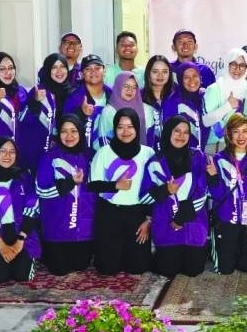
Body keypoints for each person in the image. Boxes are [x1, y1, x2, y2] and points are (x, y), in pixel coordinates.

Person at [87, 108, 155, 276]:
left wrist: (148, 221)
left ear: (137, 128)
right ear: (114, 129)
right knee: (107, 269)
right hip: (110, 212)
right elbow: (92, 185)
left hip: (137, 214)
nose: (125, 132)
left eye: (130, 127)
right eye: (120, 127)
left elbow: (154, 190)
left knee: (138, 268)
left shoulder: (148, 153)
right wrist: (115, 186)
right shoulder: (103, 153)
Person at [142, 116, 210, 278]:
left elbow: (203, 191)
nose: (181, 136)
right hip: (166, 227)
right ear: (168, 133)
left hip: (192, 224)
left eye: (186, 132)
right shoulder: (155, 162)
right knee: (168, 271)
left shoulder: (198, 157)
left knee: (194, 270)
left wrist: (180, 219)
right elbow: (144, 196)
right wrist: (165, 190)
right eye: (177, 131)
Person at [35, 114, 94, 275]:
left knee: (81, 266)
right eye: (64, 131)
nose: (69, 136)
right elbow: (41, 190)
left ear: (81, 132)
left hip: (84, 228)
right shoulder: (49, 157)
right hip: (57, 228)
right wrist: (70, 183)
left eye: (74, 131)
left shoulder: (90, 156)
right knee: (59, 269)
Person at [0, 138, 40, 283]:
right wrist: (1, 245)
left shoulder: (24, 178)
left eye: (12, 152)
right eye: (3, 151)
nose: (8, 156)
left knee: (23, 275)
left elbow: (32, 207)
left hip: (21, 234)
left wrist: (20, 241)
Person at [208, 114, 247, 274]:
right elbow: (216, 195)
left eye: (245, 131)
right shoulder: (218, 160)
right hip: (226, 221)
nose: (241, 137)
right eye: (236, 131)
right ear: (229, 134)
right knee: (225, 269)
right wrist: (212, 178)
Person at [18, 53, 74, 173]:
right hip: (38, 153)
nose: (59, 71)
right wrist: (35, 102)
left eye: (62, 66)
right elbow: (22, 121)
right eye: (54, 67)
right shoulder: (39, 91)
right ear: (48, 70)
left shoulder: (73, 92)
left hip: (66, 151)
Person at [203, 48, 247, 151]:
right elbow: (206, 121)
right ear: (227, 64)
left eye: (242, 65)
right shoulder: (214, 89)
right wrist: (228, 106)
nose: (237, 69)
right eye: (233, 64)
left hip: (239, 148)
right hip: (215, 147)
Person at [63, 54, 111, 150]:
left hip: (109, 154)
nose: (93, 72)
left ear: (104, 71)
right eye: (88, 69)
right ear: (82, 74)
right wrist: (81, 113)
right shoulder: (74, 97)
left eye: (97, 68)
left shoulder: (113, 94)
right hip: (82, 155)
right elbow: (64, 125)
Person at [96, 71, 149, 147]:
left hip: (140, 156)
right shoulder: (109, 111)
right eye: (126, 86)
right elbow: (104, 140)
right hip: (115, 156)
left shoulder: (143, 108)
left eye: (134, 87)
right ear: (118, 86)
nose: (130, 90)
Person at [162, 62, 208, 149]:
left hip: (200, 156)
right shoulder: (173, 102)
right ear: (180, 79)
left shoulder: (204, 96)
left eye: (195, 76)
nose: (192, 80)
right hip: (180, 156)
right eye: (186, 77)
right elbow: (168, 134)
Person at [142, 54, 173, 151]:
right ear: (148, 73)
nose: (160, 75)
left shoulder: (175, 97)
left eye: (165, 72)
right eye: (155, 72)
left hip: (170, 154)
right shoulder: (138, 97)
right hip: (146, 153)